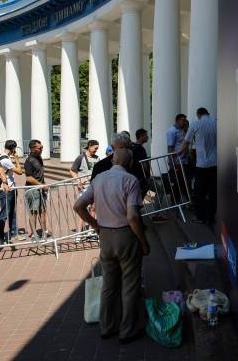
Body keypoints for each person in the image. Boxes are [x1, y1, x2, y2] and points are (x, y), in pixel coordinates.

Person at [74, 148, 149, 343]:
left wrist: (95, 224)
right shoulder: (131, 180)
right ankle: (127, 330)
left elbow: (78, 205)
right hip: (126, 235)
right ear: (130, 163)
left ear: (112, 160)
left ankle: (106, 327)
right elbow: (133, 217)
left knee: (108, 284)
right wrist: (143, 241)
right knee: (130, 284)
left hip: (105, 236)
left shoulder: (98, 179)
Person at [179, 107, 217, 225]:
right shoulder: (216, 122)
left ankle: (200, 216)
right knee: (213, 192)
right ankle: (211, 216)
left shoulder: (196, 123)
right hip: (215, 163)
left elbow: (186, 142)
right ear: (207, 113)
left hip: (202, 164)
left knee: (199, 192)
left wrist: (180, 152)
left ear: (198, 115)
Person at [70, 140, 99, 234]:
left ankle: (90, 230)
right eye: (95, 148)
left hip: (94, 186)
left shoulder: (97, 158)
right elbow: (72, 171)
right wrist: (78, 181)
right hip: (84, 187)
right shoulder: (81, 157)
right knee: (83, 209)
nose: (96, 150)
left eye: (97, 148)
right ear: (89, 147)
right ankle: (79, 233)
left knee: (94, 208)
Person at [0, 140, 24, 243]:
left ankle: (13, 233)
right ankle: (0, 236)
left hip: (11, 187)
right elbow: (19, 171)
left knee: (12, 211)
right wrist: (17, 159)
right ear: (13, 149)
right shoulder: (5, 159)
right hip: (6, 189)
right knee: (5, 213)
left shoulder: (4, 157)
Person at [24, 139, 49, 240]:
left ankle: (44, 232)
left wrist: (44, 184)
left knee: (42, 211)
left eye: (42, 147)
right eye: (40, 148)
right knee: (34, 212)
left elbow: (40, 174)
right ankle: (34, 234)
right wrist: (40, 185)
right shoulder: (29, 160)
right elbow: (28, 177)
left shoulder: (39, 158)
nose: (42, 149)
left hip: (40, 189)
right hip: (32, 189)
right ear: (33, 149)